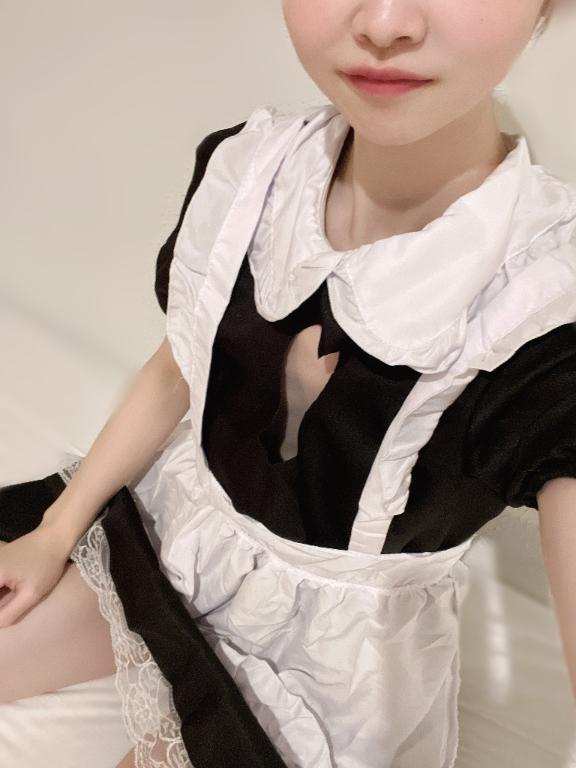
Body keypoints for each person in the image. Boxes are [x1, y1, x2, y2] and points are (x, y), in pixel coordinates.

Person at [1, 0, 575, 766]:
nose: (384, 22)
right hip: (175, 535)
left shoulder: (544, 308)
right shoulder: (255, 170)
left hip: (327, 674)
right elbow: (178, 368)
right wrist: (56, 530)